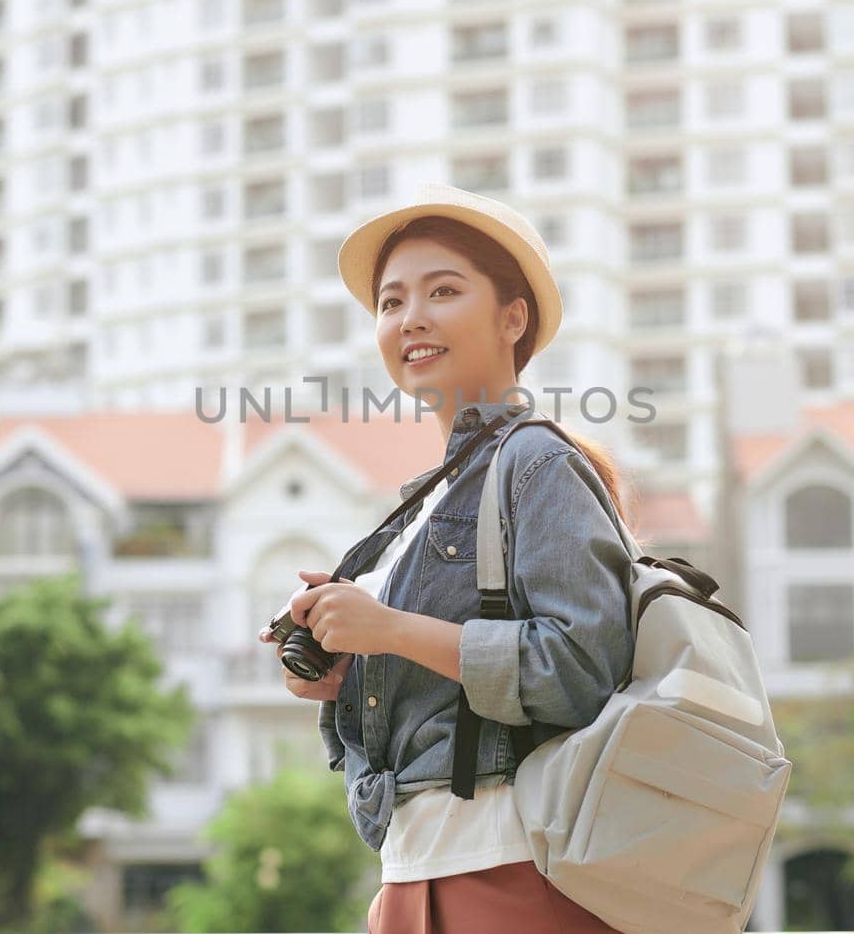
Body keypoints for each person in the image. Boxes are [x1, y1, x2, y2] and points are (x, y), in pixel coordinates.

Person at [258, 183, 636, 933]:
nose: (412, 317)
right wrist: (346, 675)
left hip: (509, 874)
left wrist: (391, 630)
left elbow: (582, 668)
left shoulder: (536, 464)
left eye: (443, 290)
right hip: (418, 872)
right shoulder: (424, 501)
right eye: (391, 302)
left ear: (512, 317)